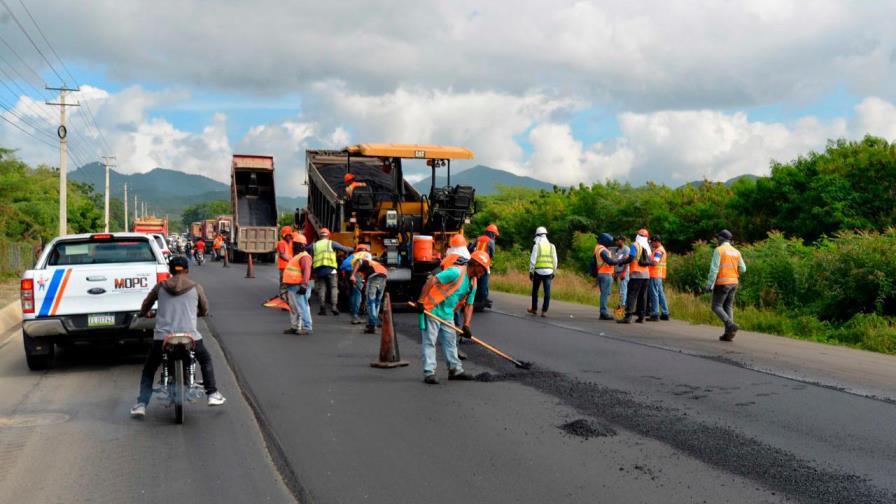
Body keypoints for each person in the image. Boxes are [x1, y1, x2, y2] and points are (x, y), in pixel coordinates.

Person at [130, 256, 225, 417]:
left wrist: (142, 314)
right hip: (190, 336)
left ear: (170, 270)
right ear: (187, 270)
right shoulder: (196, 287)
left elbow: (146, 304)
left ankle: (141, 404)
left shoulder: (160, 286)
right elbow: (204, 308)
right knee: (205, 359)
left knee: (150, 368)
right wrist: (200, 313)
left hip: (163, 338)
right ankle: (212, 393)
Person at [416, 250, 490, 384]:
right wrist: (421, 301)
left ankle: (455, 370)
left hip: (448, 314)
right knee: (430, 342)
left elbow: (469, 305)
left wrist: (466, 325)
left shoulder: (473, 283)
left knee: (451, 342)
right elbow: (432, 280)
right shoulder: (456, 272)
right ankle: (429, 372)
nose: (483, 273)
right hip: (432, 309)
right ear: (476, 265)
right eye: (483, 269)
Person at [707, 229, 747, 341]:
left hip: (722, 283)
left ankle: (730, 324)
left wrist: (710, 284)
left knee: (716, 306)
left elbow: (714, 269)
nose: (717, 240)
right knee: (728, 307)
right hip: (734, 282)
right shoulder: (736, 252)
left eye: (718, 238)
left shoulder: (719, 250)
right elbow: (743, 269)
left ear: (721, 239)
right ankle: (729, 334)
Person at [308, 227, 354, 316]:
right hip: (331, 270)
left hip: (319, 270)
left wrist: (312, 242)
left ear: (320, 236)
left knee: (322, 288)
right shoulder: (331, 243)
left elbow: (306, 249)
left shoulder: (315, 245)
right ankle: (334, 307)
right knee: (333, 288)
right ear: (328, 236)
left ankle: (322, 309)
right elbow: (345, 249)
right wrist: (353, 249)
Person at [617, 229, 653, 324]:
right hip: (646, 275)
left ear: (638, 236)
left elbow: (631, 258)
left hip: (636, 275)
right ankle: (641, 317)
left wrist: (621, 262)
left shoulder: (635, 245)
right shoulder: (648, 247)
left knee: (631, 295)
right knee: (642, 296)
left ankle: (627, 317)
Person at [351, 253, 389, 334]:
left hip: (374, 277)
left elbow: (359, 261)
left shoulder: (365, 261)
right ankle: (373, 323)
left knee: (370, 302)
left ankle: (373, 324)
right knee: (376, 302)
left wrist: (353, 275)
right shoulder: (373, 264)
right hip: (384, 277)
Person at [283, 236, 313, 335]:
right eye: (293, 244)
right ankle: (294, 327)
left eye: (295, 244)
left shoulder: (304, 257)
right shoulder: (296, 256)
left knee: (302, 307)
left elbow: (306, 272)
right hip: (292, 286)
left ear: (302, 245)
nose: (293, 246)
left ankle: (307, 327)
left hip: (298, 286)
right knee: (293, 308)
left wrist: (304, 286)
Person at [527, 226, 557, 317]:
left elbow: (533, 260)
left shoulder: (537, 246)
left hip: (538, 272)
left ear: (538, 235)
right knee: (547, 292)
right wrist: (554, 272)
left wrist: (531, 272)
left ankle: (534, 309)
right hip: (549, 272)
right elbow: (555, 260)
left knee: (535, 291)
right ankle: (544, 311)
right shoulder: (552, 246)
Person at [594, 233, 622, 320]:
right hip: (605, 274)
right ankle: (603, 312)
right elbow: (609, 261)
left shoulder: (598, 248)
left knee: (605, 293)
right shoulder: (602, 249)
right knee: (605, 294)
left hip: (603, 273)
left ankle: (603, 311)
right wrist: (619, 260)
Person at [470, 224, 498, 307]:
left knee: (475, 280)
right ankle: (482, 298)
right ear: (492, 234)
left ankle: (476, 297)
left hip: (475, 262)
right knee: (484, 281)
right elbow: (492, 254)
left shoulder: (478, 238)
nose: (495, 236)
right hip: (484, 263)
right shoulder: (491, 242)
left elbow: (471, 248)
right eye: (495, 235)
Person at [343, 244, 370, 325]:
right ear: (366, 250)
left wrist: (351, 272)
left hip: (351, 274)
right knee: (358, 294)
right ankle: (356, 316)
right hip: (358, 275)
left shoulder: (353, 255)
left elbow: (343, 265)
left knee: (354, 293)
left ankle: (354, 312)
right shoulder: (367, 255)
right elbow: (363, 264)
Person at [647, 235, 670, 321]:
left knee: (654, 294)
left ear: (656, 241)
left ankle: (655, 314)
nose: (651, 244)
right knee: (660, 294)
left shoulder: (659, 251)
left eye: (652, 242)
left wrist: (646, 260)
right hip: (658, 275)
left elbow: (655, 263)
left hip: (654, 275)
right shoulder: (660, 249)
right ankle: (665, 313)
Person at [276, 226, 294, 296]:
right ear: (284, 235)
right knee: (283, 285)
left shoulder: (291, 242)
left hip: (290, 268)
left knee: (290, 285)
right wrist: (291, 261)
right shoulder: (281, 243)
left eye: (290, 235)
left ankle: (287, 299)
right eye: (287, 235)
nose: (289, 237)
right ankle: (283, 300)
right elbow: (281, 254)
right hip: (283, 268)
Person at [613, 235, 629, 309]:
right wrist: (614, 272)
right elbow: (615, 261)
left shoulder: (626, 249)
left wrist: (624, 272)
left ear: (622, 241)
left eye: (618, 240)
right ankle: (622, 304)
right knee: (620, 290)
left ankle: (622, 305)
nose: (616, 242)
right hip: (618, 272)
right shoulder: (617, 250)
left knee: (623, 289)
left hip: (624, 272)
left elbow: (627, 262)